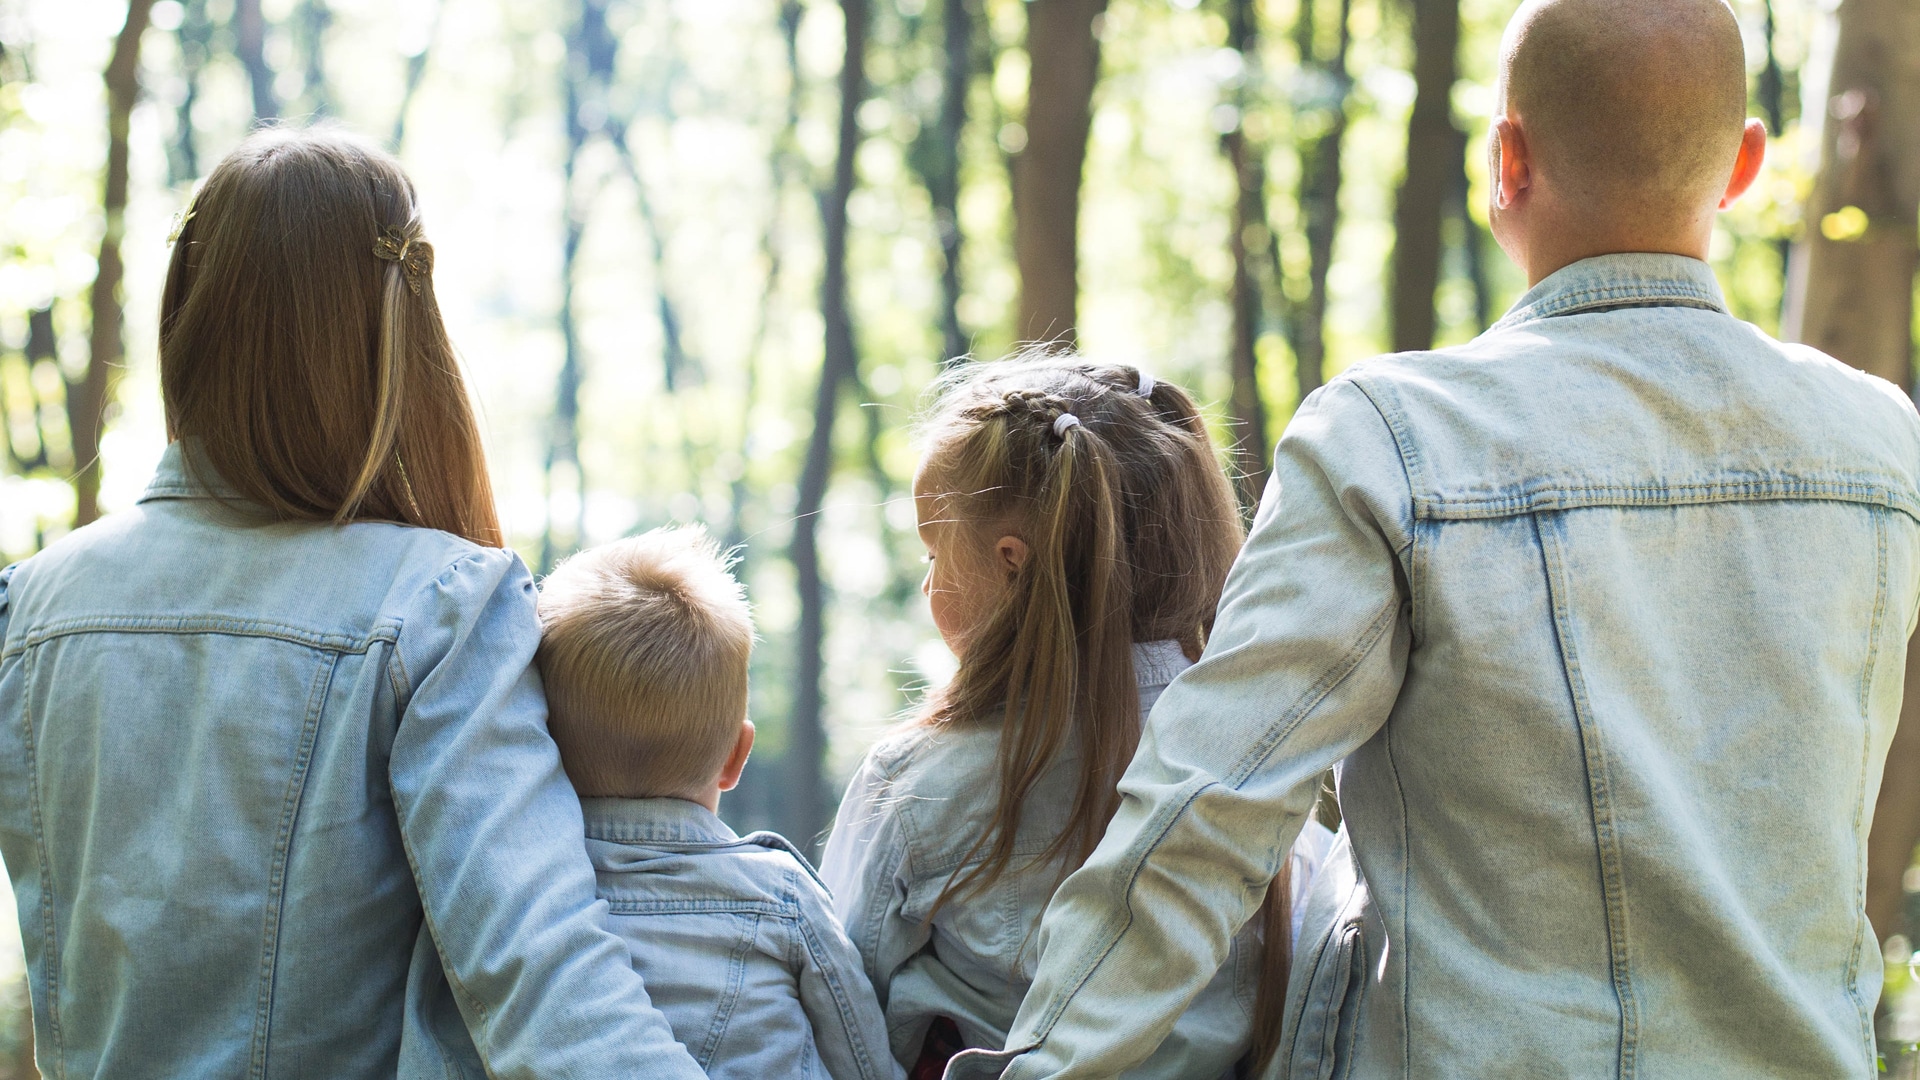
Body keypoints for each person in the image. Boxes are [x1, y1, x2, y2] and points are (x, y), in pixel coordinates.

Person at [943, 1, 1920, 1077]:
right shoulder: (1882, 449)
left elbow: (1208, 810)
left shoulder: (1396, 442)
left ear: (1506, 160)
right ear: (1742, 167)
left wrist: (1044, 1062)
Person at [0, 128, 706, 1079]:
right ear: (399, 333)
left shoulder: (29, 612)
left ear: (186, 316)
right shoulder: (439, 606)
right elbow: (546, 987)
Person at [820, 356, 1336, 1079]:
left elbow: (837, 1013)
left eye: (934, 553)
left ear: (1011, 565)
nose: (930, 584)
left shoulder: (916, 789)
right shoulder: (1267, 773)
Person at [534, 525, 900, 1080]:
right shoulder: (780, 896)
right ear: (737, 756)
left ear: (542, 746)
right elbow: (865, 1061)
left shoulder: (524, 895)